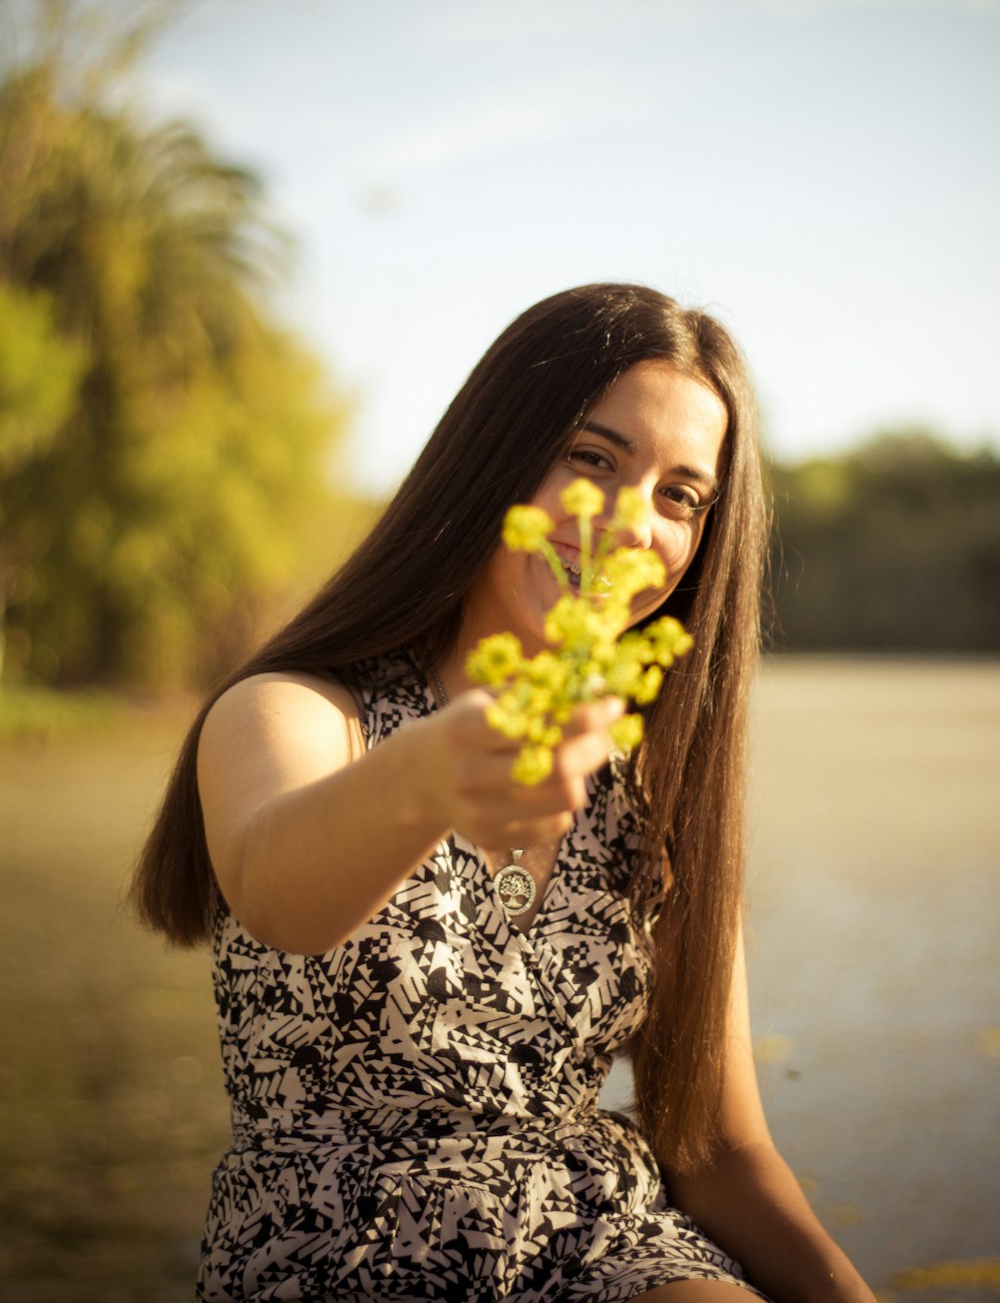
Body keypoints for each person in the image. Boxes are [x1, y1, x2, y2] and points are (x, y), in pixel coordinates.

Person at [132, 282, 876, 1303]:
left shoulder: (656, 793)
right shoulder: (298, 712)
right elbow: (281, 896)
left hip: (605, 1240)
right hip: (333, 1251)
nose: (625, 525)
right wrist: (441, 764)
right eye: (590, 459)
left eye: (679, 496)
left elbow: (714, 1149)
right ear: (492, 458)